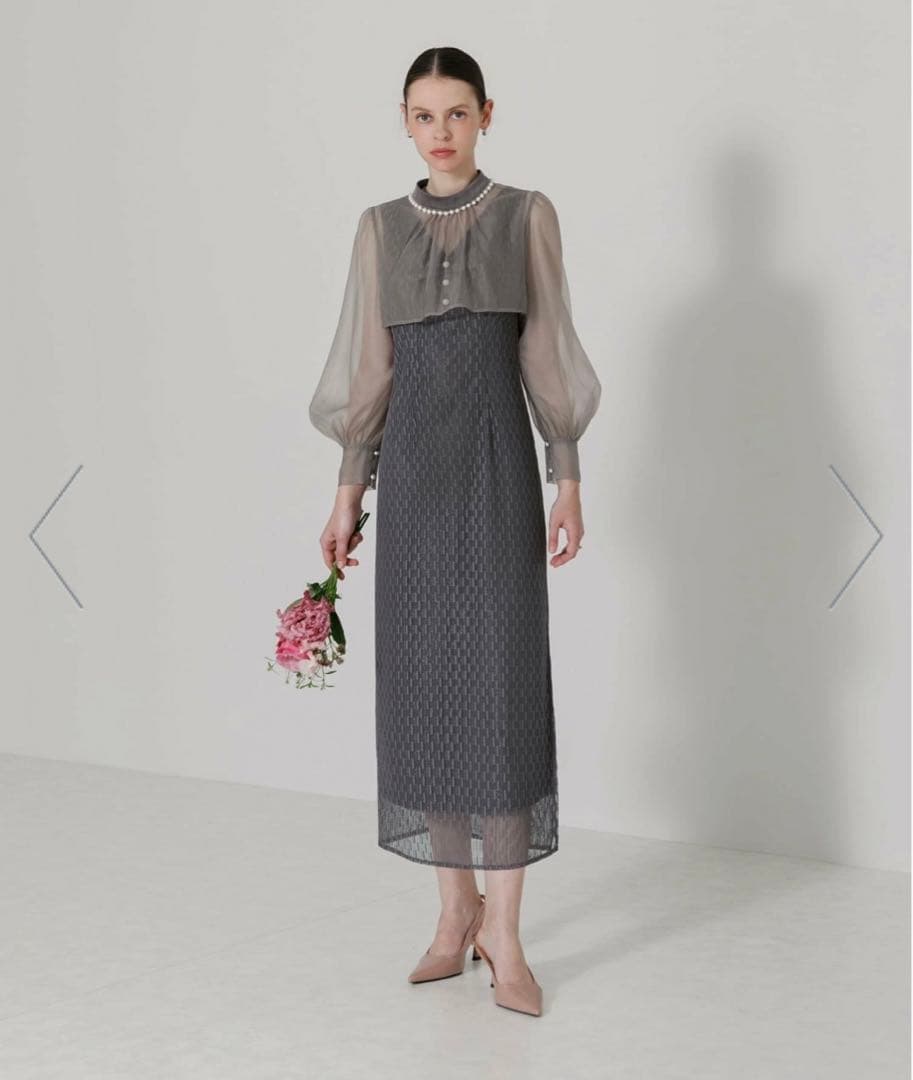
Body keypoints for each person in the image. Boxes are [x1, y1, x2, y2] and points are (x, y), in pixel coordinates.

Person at [308, 46, 601, 1017]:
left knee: (501, 692)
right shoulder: (378, 229)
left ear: (486, 116)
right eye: (423, 115)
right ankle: (454, 913)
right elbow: (370, 370)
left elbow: (547, 348)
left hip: (498, 470)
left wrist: (566, 476)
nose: (440, 131)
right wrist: (349, 491)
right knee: (428, 690)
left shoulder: (525, 215)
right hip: (416, 484)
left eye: (457, 113)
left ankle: (505, 937)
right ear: (404, 121)